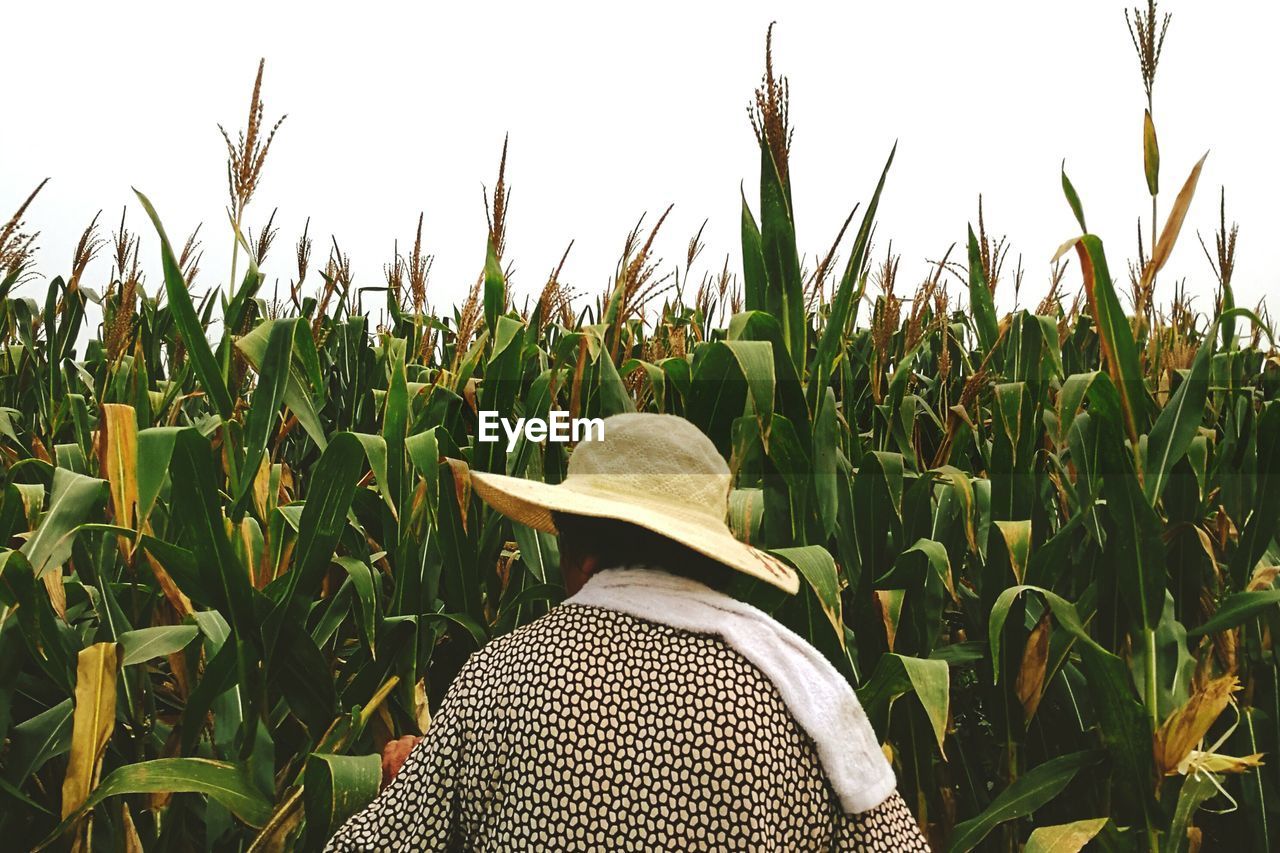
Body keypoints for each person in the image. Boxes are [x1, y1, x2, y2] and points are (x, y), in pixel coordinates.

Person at [327, 413, 930, 851]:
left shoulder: (494, 682)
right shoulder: (804, 705)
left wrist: (413, 778)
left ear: (581, 558)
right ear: (711, 557)